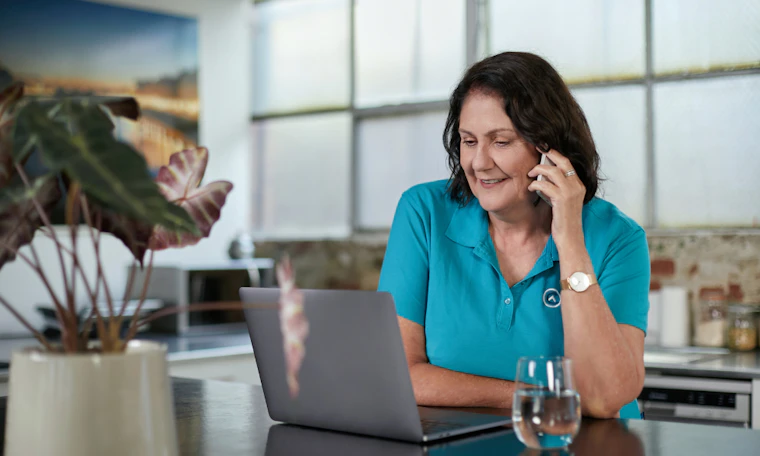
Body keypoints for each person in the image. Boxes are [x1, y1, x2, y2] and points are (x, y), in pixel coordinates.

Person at [377, 51, 649, 419]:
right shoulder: (423, 212)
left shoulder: (618, 238)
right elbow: (397, 375)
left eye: (500, 142)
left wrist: (569, 238)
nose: (478, 163)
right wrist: (533, 397)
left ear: (550, 147)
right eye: (469, 141)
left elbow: (602, 399)